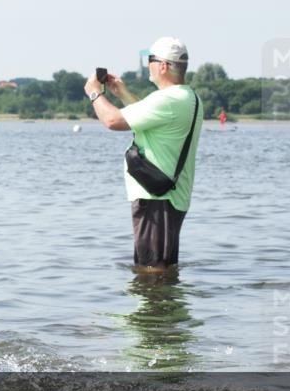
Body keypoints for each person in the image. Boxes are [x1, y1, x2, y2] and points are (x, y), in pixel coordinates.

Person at [85, 37, 203, 271]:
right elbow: (149, 116)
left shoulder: (168, 100)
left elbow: (112, 120)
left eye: (150, 60)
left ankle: (156, 308)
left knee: (152, 273)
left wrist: (94, 93)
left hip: (157, 198)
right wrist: (122, 93)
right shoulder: (188, 97)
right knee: (161, 270)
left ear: (163, 66)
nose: (148, 65)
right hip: (169, 197)